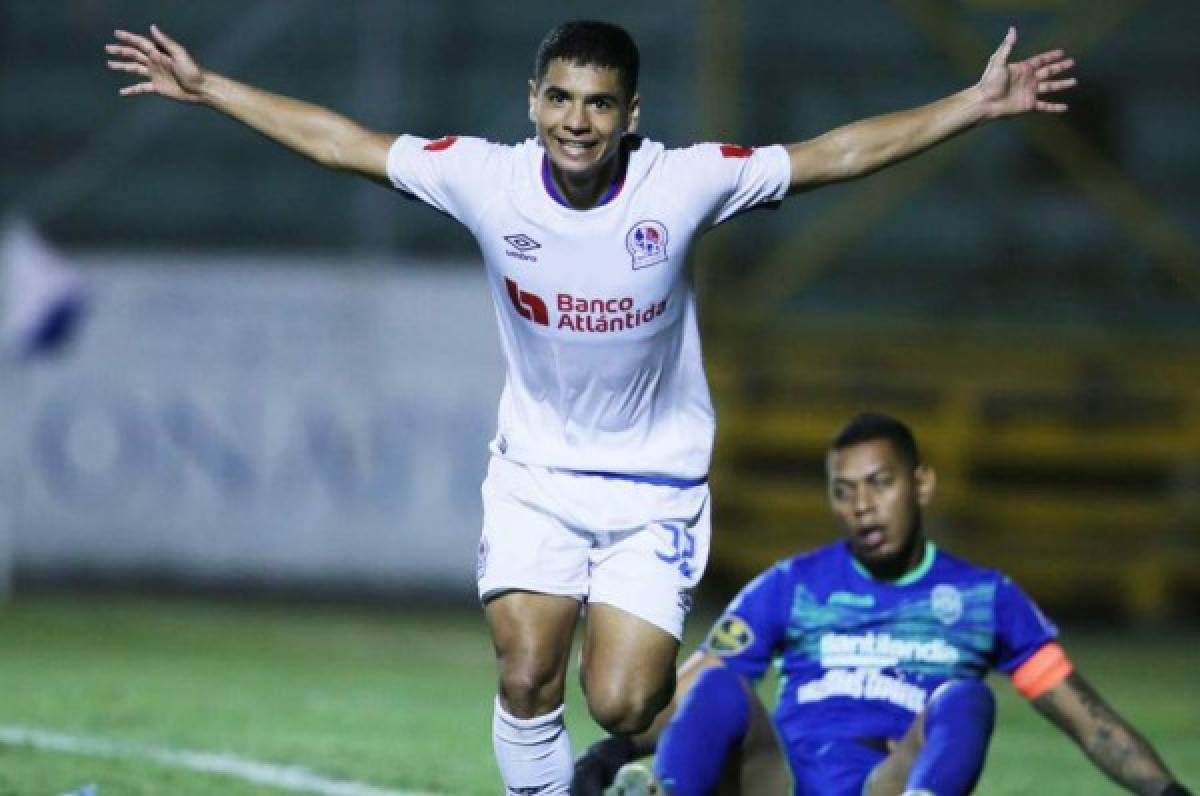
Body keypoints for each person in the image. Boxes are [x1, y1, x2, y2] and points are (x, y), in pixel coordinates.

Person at [105, 21, 1077, 796]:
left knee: (622, 701)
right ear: (532, 102)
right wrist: (210, 87)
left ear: (631, 114)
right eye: (560, 98)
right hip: (535, 474)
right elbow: (340, 142)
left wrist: (975, 103)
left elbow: (837, 152)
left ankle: (719, 734)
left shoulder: (683, 181)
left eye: (598, 103)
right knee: (527, 672)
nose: (576, 120)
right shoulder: (484, 178)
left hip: (654, 490)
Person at [575, 412, 1193, 796]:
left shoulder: (986, 598)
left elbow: (1090, 721)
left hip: (888, 783)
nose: (862, 505)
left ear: (921, 483)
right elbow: (696, 690)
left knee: (964, 698)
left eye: (880, 483)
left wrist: (1165, 791)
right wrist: (609, 754)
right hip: (783, 781)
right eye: (844, 492)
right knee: (719, 689)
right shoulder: (792, 584)